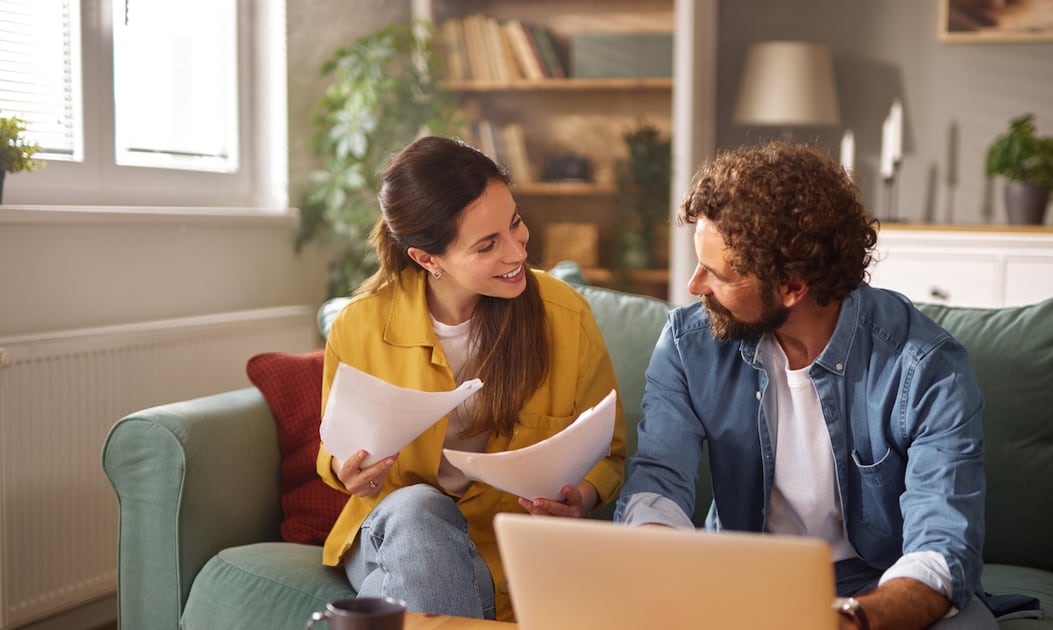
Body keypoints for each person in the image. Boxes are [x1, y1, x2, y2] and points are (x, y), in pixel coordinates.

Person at [615, 141, 999, 629]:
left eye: (716, 273)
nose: (695, 286)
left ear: (792, 288)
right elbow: (659, 481)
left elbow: (942, 549)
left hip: (877, 584)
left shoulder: (925, 367)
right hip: (737, 577)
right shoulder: (689, 345)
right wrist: (667, 568)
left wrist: (848, 620)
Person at [317, 135, 626, 622]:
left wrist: (581, 496)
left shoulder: (565, 315)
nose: (517, 251)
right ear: (427, 259)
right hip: (394, 530)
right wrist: (345, 471)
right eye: (487, 244)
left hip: (506, 547)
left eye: (516, 223)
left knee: (387, 600)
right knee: (416, 510)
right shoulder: (359, 327)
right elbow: (334, 449)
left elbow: (611, 452)